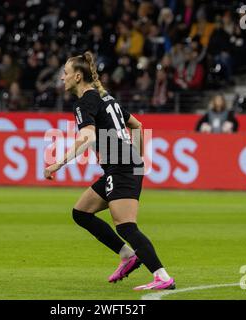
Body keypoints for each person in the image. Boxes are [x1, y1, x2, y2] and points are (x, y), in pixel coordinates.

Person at [44, 51, 175, 290]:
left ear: (77, 76)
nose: (61, 78)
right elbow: (137, 124)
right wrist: (138, 158)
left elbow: (87, 137)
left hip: (122, 168)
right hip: (122, 166)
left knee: (126, 226)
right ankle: (127, 255)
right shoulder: (106, 98)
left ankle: (162, 276)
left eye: (65, 73)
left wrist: (57, 163)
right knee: (81, 213)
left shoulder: (85, 103)